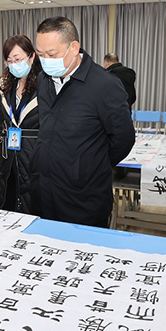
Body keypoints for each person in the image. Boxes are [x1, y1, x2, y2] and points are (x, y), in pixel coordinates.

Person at [31, 16, 135, 228]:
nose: (46, 60)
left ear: (74, 47)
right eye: (41, 54)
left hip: (83, 198)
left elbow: (123, 138)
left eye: (51, 54)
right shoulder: (43, 79)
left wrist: (89, 166)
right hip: (44, 190)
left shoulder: (104, 85)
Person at [0, 35, 41, 214]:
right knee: (7, 204)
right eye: (9, 61)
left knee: (31, 208)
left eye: (18, 59)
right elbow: (1, 125)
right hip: (9, 159)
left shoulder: (45, 86)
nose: (14, 64)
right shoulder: (6, 87)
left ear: (31, 56)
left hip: (34, 160)